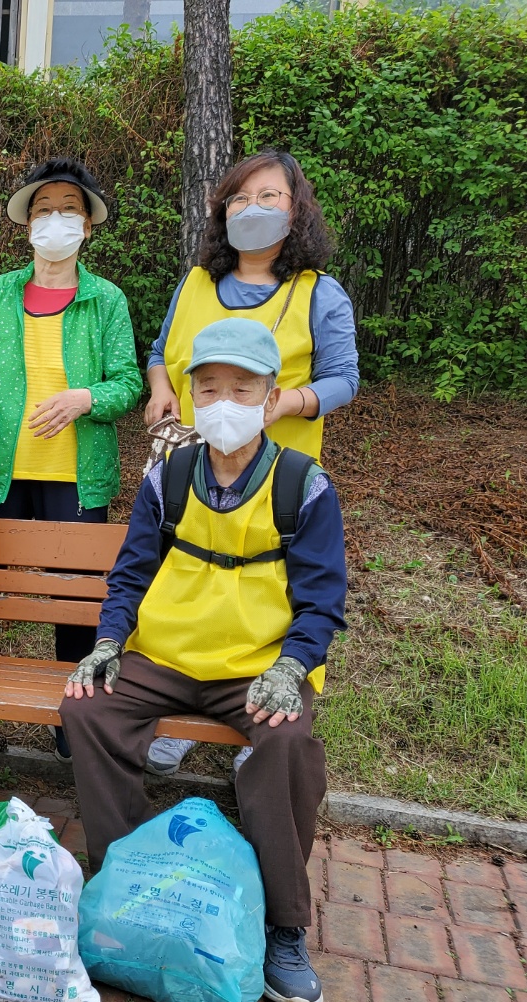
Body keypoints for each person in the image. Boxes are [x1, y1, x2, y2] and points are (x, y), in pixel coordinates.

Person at [61, 317, 347, 1002]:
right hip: (165, 653)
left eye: (241, 389)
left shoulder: (302, 485)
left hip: (257, 665)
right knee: (87, 709)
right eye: (209, 387)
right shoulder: (168, 475)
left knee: (286, 741)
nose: (223, 402)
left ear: (270, 397)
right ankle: (126, 878)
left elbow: (322, 601)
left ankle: (284, 925)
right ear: (191, 396)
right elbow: (131, 573)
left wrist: (292, 667)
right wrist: (108, 642)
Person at [143, 148, 359, 779]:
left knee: (266, 583)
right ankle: (181, 706)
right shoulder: (195, 283)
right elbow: (160, 350)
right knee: (186, 573)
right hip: (190, 457)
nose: (252, 208)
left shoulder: (317, 294)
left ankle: (260, 714)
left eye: (269, 197)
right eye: (239, 198)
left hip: (274, 467)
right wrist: (161, 386)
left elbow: (343, 379)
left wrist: (286, 402)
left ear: (296, 212)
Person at [0, 158, 141, 759]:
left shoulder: (106, 300)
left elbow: (129, 382)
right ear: (27, 225)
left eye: (69, 210)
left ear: (87, 226)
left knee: (76, 604)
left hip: (76, 477)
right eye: (45, 210)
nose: (56, 220)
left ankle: (71, 721)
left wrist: (86, 398)